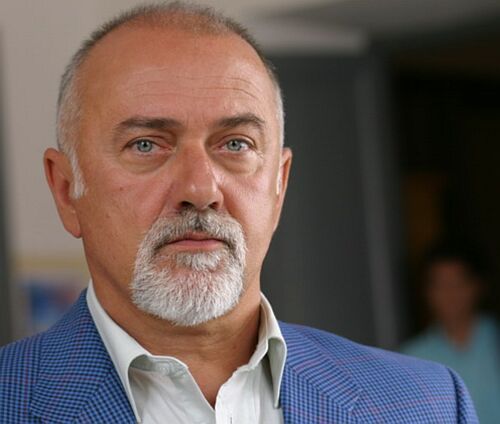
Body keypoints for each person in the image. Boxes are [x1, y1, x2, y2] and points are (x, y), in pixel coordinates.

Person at [0, 3, 477, 423]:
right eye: (145, 144)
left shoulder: (427, 404)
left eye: (235, 144)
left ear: (279, 185)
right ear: (66, 191)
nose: (200, 190)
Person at [402, 244, 500, 423]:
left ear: (477, 285)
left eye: (457, 283)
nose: (450, 294)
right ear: (426, 292)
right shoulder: (411, 357)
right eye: (440, 285)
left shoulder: (494, 338)